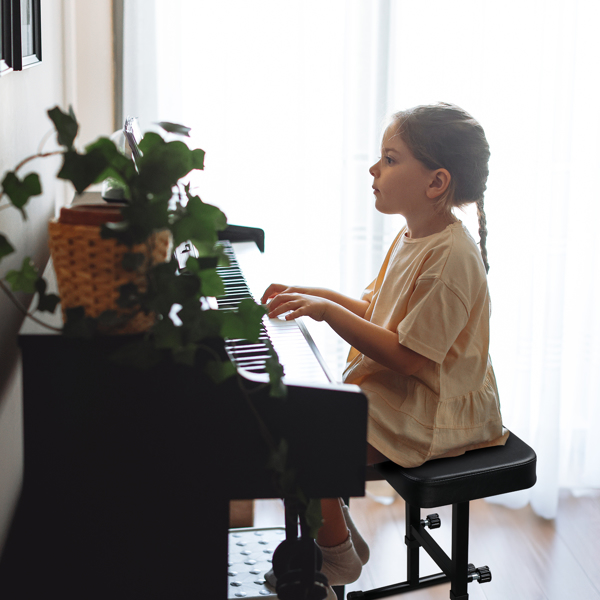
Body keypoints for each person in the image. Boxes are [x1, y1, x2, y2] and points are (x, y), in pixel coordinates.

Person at [261, 103, 508, 589]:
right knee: (301, 418)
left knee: (309, 435)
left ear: (436, 183)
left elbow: (407, 355)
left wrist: (327, 312)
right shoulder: (413, 236)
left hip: (435, 410)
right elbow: (378, 311)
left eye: (390, 159)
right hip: (404, 390)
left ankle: (338, 555)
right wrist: (316, 296)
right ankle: (340, 535)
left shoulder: (451, 258)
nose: (374, 170)